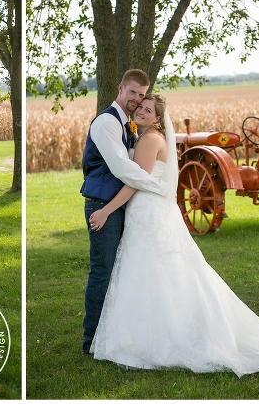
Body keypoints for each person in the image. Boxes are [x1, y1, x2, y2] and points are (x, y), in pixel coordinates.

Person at [88, 94, 259, 375]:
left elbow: (134, 181)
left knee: (150, 270)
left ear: (158, 118)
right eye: (140, 107)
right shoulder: (154, 138)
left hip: (146, 211)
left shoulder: (147, 140)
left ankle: (156, 339)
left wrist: (106, 211)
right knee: (165, 271)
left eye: (147, 110)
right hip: (151, 210)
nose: (141, 111)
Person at [80, 69, 169, 355]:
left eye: (142, 96)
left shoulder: (129, 125)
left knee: (118, 269)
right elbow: (123, 170)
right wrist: (158, 185)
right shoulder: (107, 122)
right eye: (133, 93)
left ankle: (112, 334)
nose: (137, 100)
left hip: (118, 204)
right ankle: (91, 341)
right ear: (120, 88)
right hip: (102, 203)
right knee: (103, 270)